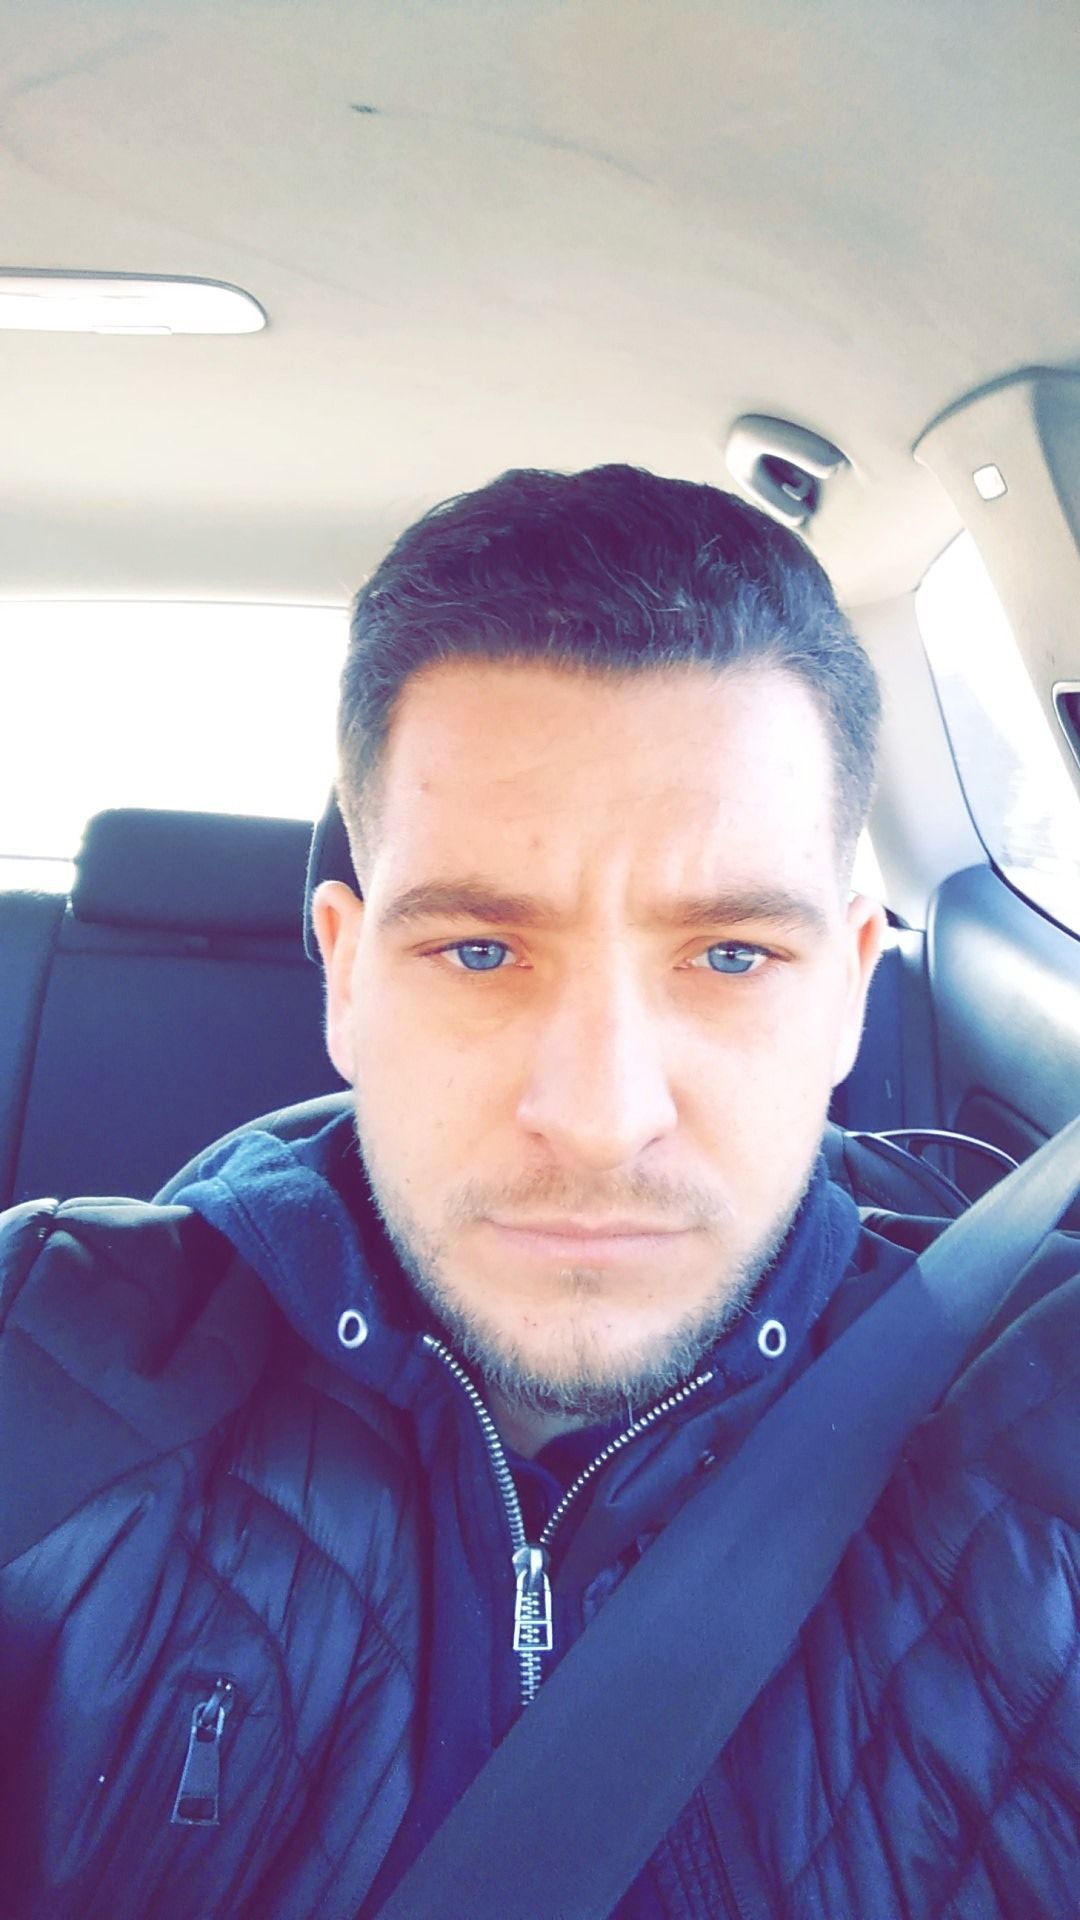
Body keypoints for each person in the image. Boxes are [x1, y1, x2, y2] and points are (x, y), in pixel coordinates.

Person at [0, 465, 1075, 1920]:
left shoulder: (1036, 1451)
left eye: (732, 956)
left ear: (848, 994)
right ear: (346, 975)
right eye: (481, 952)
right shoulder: (43, 1365)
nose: (599, 1117)